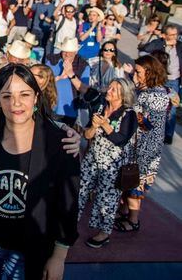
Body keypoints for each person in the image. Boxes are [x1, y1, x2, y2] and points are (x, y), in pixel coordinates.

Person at [0, 64, 80, 280]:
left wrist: (58, 257)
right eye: (7, 96)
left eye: (24, 94)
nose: (16, 103)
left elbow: (68, 205)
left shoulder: (60, 143)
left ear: (36, 97)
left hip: (29, 249)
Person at [79, 78, 138, 248]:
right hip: (92, 159)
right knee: (81, 190)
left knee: (107, 199)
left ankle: (104, 233)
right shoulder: (99, 107)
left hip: (112, 164)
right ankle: (70, 223)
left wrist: (104, 124)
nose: (108, 91)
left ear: (123, 95)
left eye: (113, 90)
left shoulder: (129, 114)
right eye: (109, 87)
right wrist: (94, 127)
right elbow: (87, 134)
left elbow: (121, 139)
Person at [116, 55, 169, 232]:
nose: (135, 75)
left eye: (138, 72)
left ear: (149, 72)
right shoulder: (146, 90)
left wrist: (131, 112)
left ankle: (133, 220)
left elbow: (148, 124)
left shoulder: (156, 95)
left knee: (135, 183)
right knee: (128, 180)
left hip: (145, 149)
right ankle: (124, 212)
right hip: (136, 146)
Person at [141, 24, 182, 145]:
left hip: (174, 79)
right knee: (155, 105)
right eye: (172, 35)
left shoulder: (180, 46)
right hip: (159, 79)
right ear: (165, 35)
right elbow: (145, 48)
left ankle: (168, 134)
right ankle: (152, 130)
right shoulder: (159, 43)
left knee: (173, 108)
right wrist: (165, 44)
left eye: (176, 34)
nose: (175, 37)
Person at [46, 37, 90, 126]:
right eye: (64, 51)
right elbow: (43, 81)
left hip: (70, 111)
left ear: (76, 52)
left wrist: (71, 73)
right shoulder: (52, 60)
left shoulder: (83, 65)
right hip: (51, 107)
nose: (66, 54)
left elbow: (84, 90)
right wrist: (59, 77)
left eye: (70, 51)